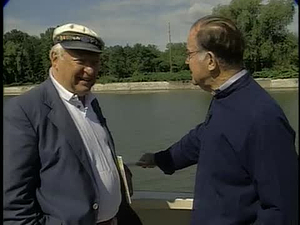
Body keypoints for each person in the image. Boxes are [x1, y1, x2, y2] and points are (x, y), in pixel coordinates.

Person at [136, 15, 298, 225]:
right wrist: (161, 159)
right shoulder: (226, 98)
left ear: (210, 61)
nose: (187, 61)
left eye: (189, 54)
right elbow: (203, 136)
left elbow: (282, 207)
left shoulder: (262, 117)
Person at [3, 23, 142, 225]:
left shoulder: (92, 103)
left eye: (95, 62)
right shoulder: (24, 110)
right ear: (55, 59)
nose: (90, 70)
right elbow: (13, 201)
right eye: (81, 61)